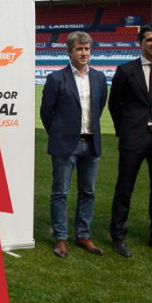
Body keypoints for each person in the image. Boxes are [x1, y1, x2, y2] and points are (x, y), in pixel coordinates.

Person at [108, 23, 152, 257]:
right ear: (141, 43)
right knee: (124, 188)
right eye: (149, 39)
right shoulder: (126, 70)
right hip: (132, 138)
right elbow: (114, 104)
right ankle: (118, 236)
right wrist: (125, 130)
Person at [40, 31, 108, 258]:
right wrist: (59, 134)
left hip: (91, 143)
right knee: (60, 192)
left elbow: (99, 107)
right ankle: (60, 238)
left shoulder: (99, 78)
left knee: (88, 192)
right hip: (65, 145)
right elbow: (46, 112)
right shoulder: (56, 78)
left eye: (87, 49)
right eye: (79, 49)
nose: (84, 53)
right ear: (69, 52)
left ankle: (83, 235)